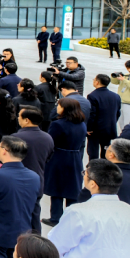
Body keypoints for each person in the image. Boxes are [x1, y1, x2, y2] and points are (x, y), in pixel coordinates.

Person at [42, 97, 87, 227]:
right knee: (72, 188)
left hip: (59, 157)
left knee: (57, 188)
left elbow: (51, 141)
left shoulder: (58, 124)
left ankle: (55, 217)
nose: (57, 108)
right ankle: (70, 217)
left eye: (59, 106)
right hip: (75, 156)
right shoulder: (82, 124)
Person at [14, 106, 55, 234]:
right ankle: (36, 238)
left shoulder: (16, 138)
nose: (18, 118)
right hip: (38, 180)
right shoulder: (47, 138)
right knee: (34, 213)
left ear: (27, 120)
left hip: (18, 182)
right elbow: (48, 158)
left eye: (19, 116)